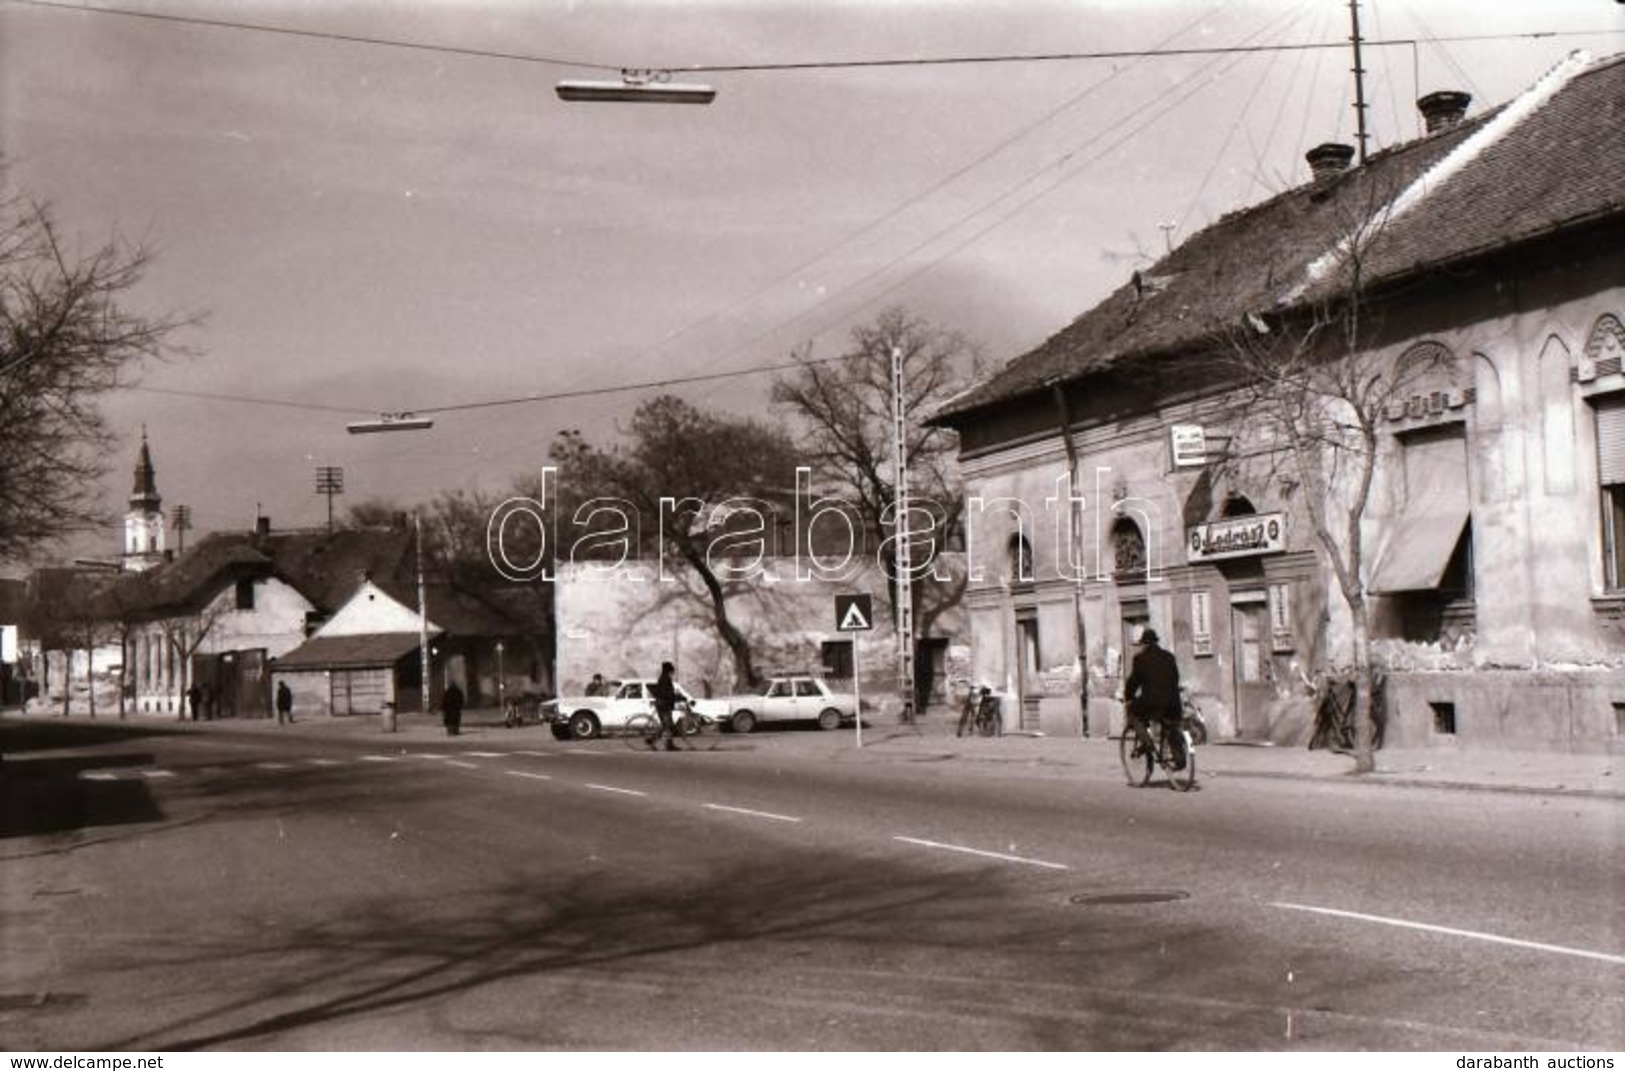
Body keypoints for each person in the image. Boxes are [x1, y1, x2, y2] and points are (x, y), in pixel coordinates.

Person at [1124, 628, 1185, 769]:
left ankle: (1147, 744)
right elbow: (1176, 677)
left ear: (1144, 644)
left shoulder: (1139, 659)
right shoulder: (1169, 656)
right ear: (1156, 642)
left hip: (1153, 702)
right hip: (1173, 702)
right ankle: (1180, 760)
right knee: (1171, 725)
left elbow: (1133, 682)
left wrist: (1128, 698)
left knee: (1134, 712)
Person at [650, 661, 679, 751]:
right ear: (668, 671)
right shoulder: (665, 679)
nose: (672, 673)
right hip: (664, 706)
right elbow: (667, 693)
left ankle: (656, 741)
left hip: (663, 705)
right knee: (667, 725)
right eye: (671, 671)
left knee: (666, 726)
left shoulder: (663, 678)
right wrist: (678, 696)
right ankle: (666, 744)